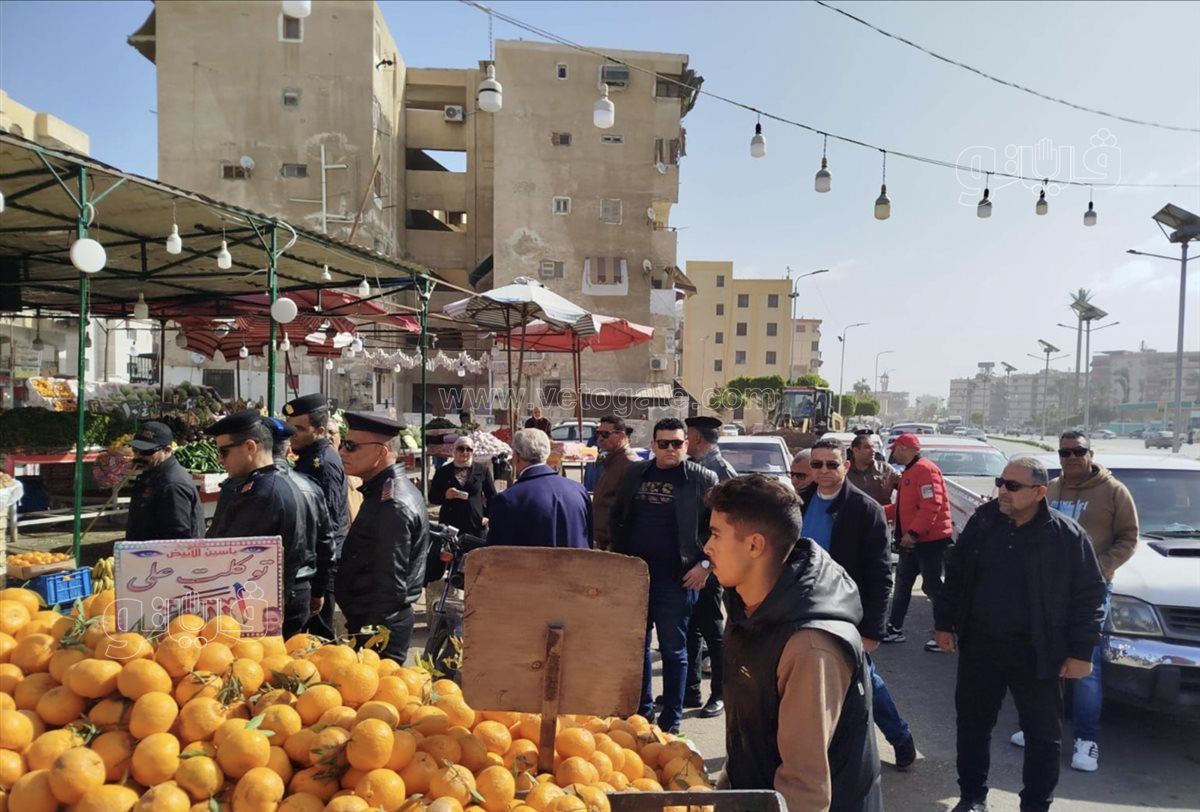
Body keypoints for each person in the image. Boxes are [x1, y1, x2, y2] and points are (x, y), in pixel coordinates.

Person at [933, 457, 1107, 812]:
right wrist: (944, 623)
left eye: (1012, 486)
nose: (1002, 491)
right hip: (981, 647)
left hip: (1039, 653)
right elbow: (957, 572)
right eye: (1001, 482)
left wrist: (1081, 652)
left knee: (1043, 737)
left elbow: (1090, 596)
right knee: (973, 726)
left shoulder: (1066, 536)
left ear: (1040, 492)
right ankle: (972, 797)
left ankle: (1036, 805)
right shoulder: (984, 523)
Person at [705, 474, 883, 812]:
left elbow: (804, 790)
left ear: (755, 545)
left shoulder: (810, 647)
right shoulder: (751, 604)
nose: (707, 546)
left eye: (715, 534)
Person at [1009, 431, 1139, 772]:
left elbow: (1129, 537)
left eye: (1077, 451)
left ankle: (1087, 739)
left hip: (1091, 592)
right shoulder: (1049, 490)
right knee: (1041, 655)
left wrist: (1100, 568)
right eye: (1064, 452)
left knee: (1084, 665)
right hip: (1048, 589)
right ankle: (1038, 725)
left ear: (1090, 453)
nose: (1070, 457)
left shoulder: (1113, 491)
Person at [799, 439, 916, 771]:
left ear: (846, 466)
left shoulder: (866, 510)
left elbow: (881, 574)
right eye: (817, 464)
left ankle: (901, 738)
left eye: (831, 464)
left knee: (864, 680)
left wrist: (873, 629)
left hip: (846, 613)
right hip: (803, 610)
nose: (823, 471)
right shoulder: (799, 502)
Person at [609, 417, 719, 734]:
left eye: (677, 443)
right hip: (636, 578)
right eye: (663, 443)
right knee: (637, 647)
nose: (670, 449)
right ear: (653, 445)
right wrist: (618, 560)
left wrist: (706, 566)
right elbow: (618, 518)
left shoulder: (703, 478)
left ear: (687, 444)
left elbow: (720, 529)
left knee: (674, 650)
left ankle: (671, 722)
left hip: (678, 579)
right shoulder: (635, 473)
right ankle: (643, 715)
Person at [206, 411, 333, 638]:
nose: (219, 459)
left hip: (261, 605)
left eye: (223, 451)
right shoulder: (269, 485)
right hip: (275, 599)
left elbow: (234, 559)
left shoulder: (263, 493)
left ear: (250, 447)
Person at [336, 411, 430, 663]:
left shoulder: (392, 503)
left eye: (351, 446)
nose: (342, 452)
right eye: (343, 444)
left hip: (379, 627)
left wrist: (372, 634)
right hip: (372, 622)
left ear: (380, 452)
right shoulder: (382, 493)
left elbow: (390, 583)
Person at [283, 394, 350, 640]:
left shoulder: (323, 463)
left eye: (300, 429)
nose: (293, 434)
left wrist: (319, 582)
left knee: (319, 636)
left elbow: (327, 526)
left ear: (320, 430)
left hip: (322, 563)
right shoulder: (309, 458)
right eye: (291, 427)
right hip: (313, 560)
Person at [683, 415, 737, 719]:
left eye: (686, 436)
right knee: (691, 628)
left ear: (697, 439)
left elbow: (729, 528)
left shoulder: (719, 471)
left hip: (710, 564)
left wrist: (707, 563)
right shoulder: (692, 467)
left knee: (712, 629)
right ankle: (691, 689)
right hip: (691, 562)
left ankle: (719, 693)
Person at [881, 433, 954, 650]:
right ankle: (894, 628)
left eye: (896, 449)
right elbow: (903, 508)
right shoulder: (910, 472)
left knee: (932, 586)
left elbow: (931, 505)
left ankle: (945, 632)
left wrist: (913, 533)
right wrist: (877, 512)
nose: (894, 453)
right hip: (912, 542)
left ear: (905, 448)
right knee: (902, 585)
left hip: (929, 542)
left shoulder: (925, 470)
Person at [486, 428, 591, 548]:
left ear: (516, 456)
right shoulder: (579, 490)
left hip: (530, 566)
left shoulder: (508, 499)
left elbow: (495, 555)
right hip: (577, 565)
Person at [126, 421, 205, 541]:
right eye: (135, 449)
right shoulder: (153, 473)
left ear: (167, 450)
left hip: (161, 557)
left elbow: (178, 538)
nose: (137, 456)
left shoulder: (172, 485)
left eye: (146, 451)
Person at [429, 436, 497, 538]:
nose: (465, 452)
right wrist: (445, 495)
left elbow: (492, 496)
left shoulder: (482, 470)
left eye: (469, 449)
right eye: (461, 448)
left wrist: (488, 516)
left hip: (475, 524)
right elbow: (432, 498)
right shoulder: (442, 472)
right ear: (454, 451)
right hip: (451, 524)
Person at [591, 415, 640, 551]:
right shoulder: (612, 460)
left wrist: (614, 544)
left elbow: (628, 511)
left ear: (621, 436)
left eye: (605, 434)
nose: (600, 438)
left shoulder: (630, 464)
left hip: (615, 546)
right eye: (598, 433)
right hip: (602, 543)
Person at [847, 432, 899, 506]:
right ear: (855, 450)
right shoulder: (844, 471)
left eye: (873, 447)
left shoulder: (886, 469)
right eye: (867, 447)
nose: (873, 450)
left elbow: (907, 487)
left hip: (881, 515)